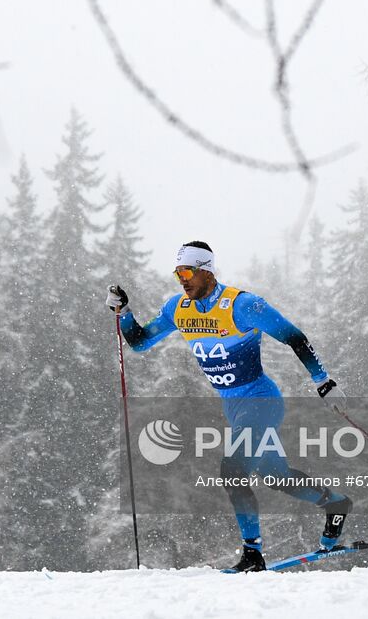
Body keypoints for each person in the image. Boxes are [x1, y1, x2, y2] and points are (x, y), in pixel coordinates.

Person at [106, 240, 350, 573]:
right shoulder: (178, 308)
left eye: (188, 272)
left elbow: (294, 336)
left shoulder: (242, 304)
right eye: (178, 273)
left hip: (261, 401)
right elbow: (139, 341)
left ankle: (253, 554)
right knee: (276, 477)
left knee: (233, 470)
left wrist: (323, 381)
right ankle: (335, 504)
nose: (183, 280)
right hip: (235, 408)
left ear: (207, 270)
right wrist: (124, 314)